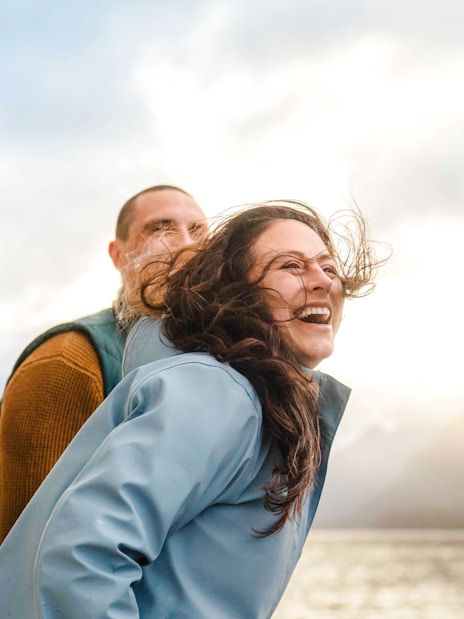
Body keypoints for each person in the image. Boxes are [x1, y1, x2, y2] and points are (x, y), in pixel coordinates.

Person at [0, 200, 383, 618]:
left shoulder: (253, 399)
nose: (321, 281)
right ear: (236, 293)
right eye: (290, 266)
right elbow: (82, 554)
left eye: (328, 268)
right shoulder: (217, 392)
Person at [0, 184, 206, 541]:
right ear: (119, 255)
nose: (187, 243)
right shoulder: (68, 361)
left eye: (199, 231)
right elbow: (25, 548)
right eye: (160, 228)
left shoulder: (217, 365)